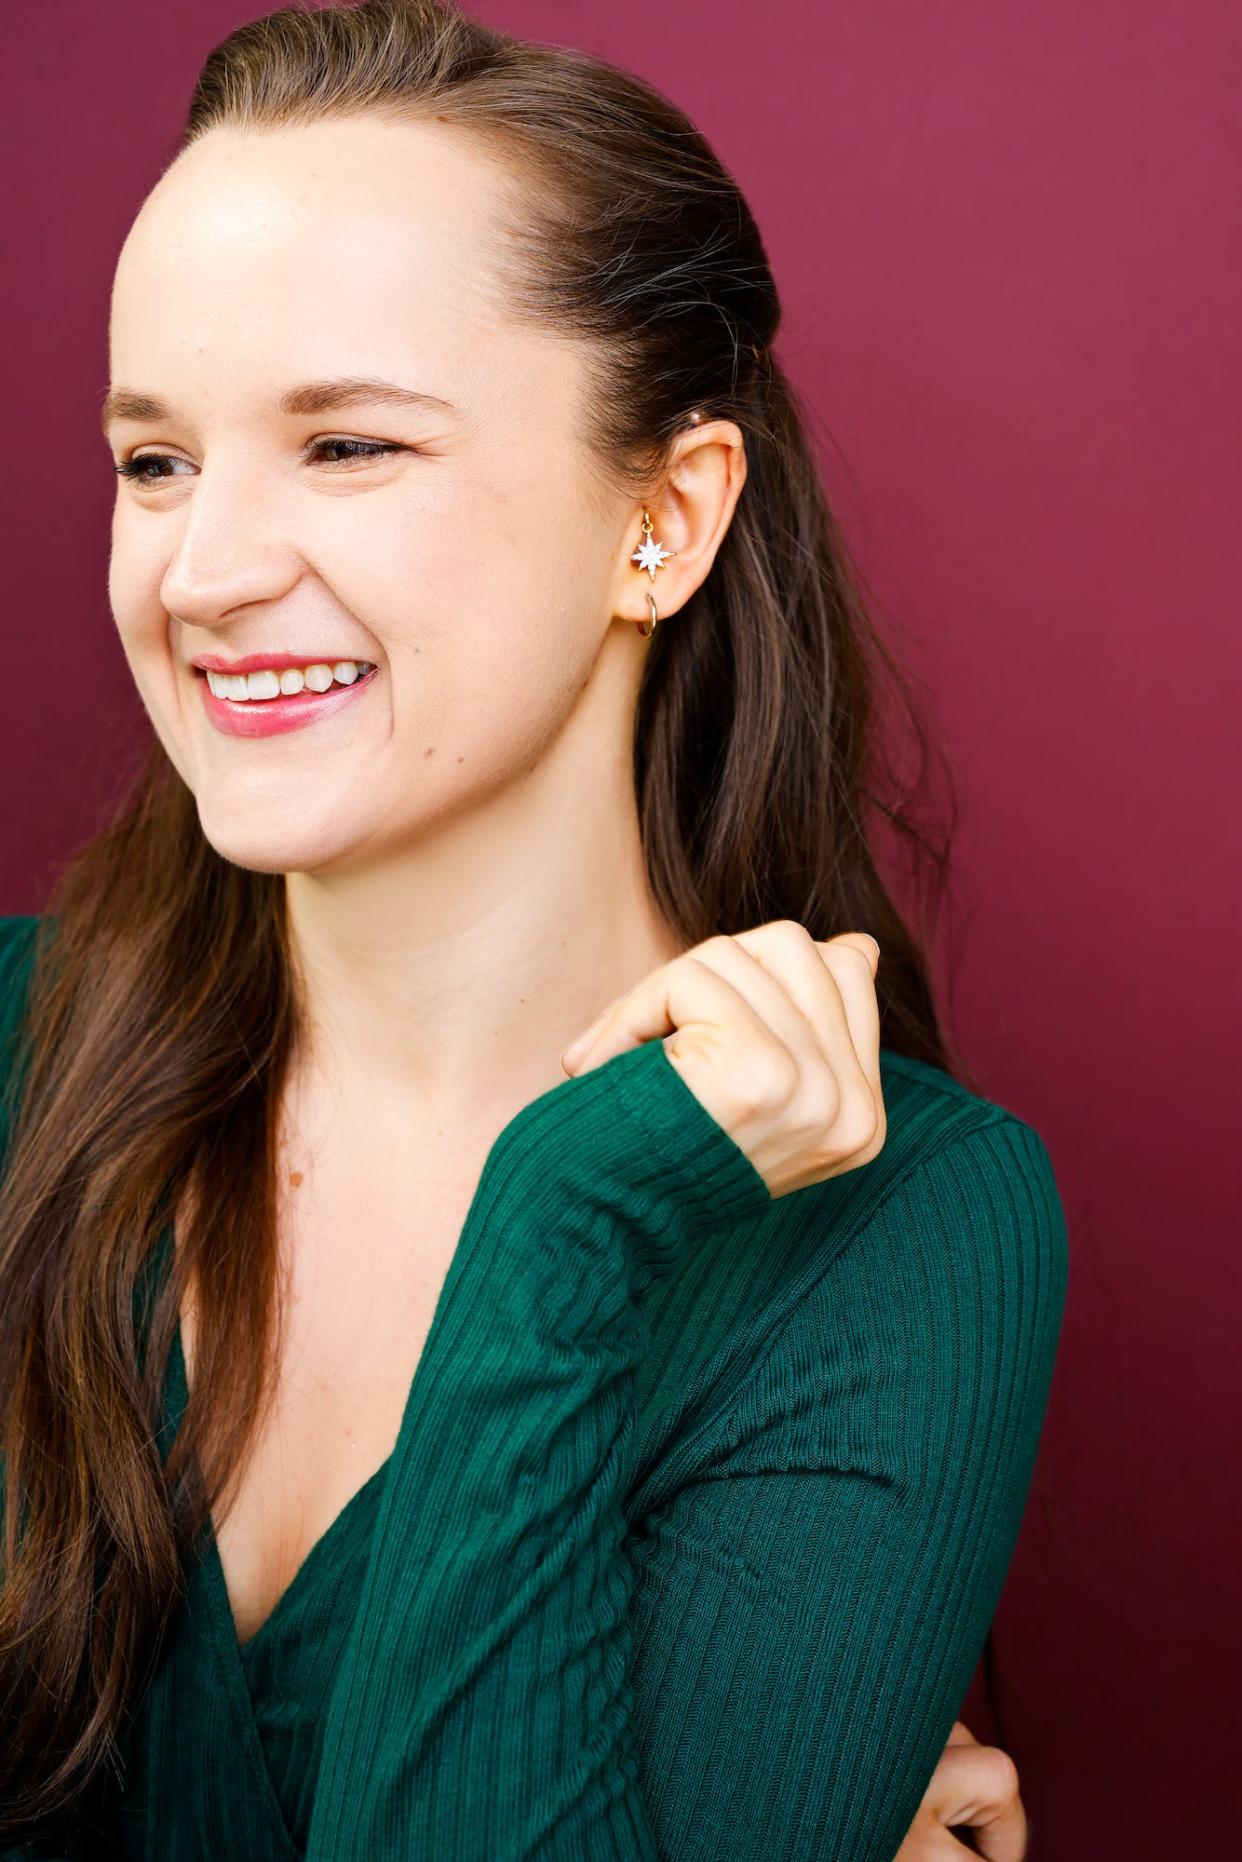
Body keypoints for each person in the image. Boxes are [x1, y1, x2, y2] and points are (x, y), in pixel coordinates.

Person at [0, 1, 1067, 1856]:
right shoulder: (12, 1051)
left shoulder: (905, 1231)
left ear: (662, 518)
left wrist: (567, 1216)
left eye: (347, 447)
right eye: (154, 460)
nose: (201, 569)